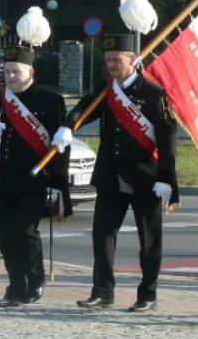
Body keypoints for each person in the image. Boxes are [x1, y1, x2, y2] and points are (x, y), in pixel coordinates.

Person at [53, 34, 179, 312]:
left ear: (132, 60)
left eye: (116, 59)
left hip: (146, 178)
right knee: (102, 235)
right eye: (108, 60)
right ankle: (102, 292)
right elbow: (83, 108)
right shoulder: (105, 89)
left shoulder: (154, 94)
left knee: (148, 241)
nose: (110, 64)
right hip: (111, 176)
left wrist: (165, 177)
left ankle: (148, 295)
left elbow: (168, 138)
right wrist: (67, 125)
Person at [0, 42, 72, 307]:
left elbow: (60, 147)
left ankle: (35, 281)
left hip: (34, 181)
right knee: (5, 236)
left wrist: (57, 182)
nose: (10, 77)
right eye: (6, 72)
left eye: (16, 71)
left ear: (31, 70)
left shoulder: (50, 100)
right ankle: (15, 287)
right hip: (3, 179)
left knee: (24, 232)